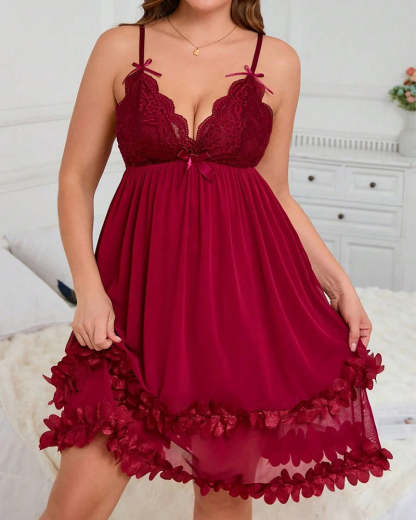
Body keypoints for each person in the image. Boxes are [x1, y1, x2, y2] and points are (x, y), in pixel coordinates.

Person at [38, 1, 392, 519]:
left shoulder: (278, 60)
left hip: (238, 306)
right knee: (74, 507)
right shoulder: (120, 47)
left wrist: (339, 285)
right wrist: (88, 291)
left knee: (223, 506)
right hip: (134, 305)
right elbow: (75, 180)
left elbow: (275, 191)